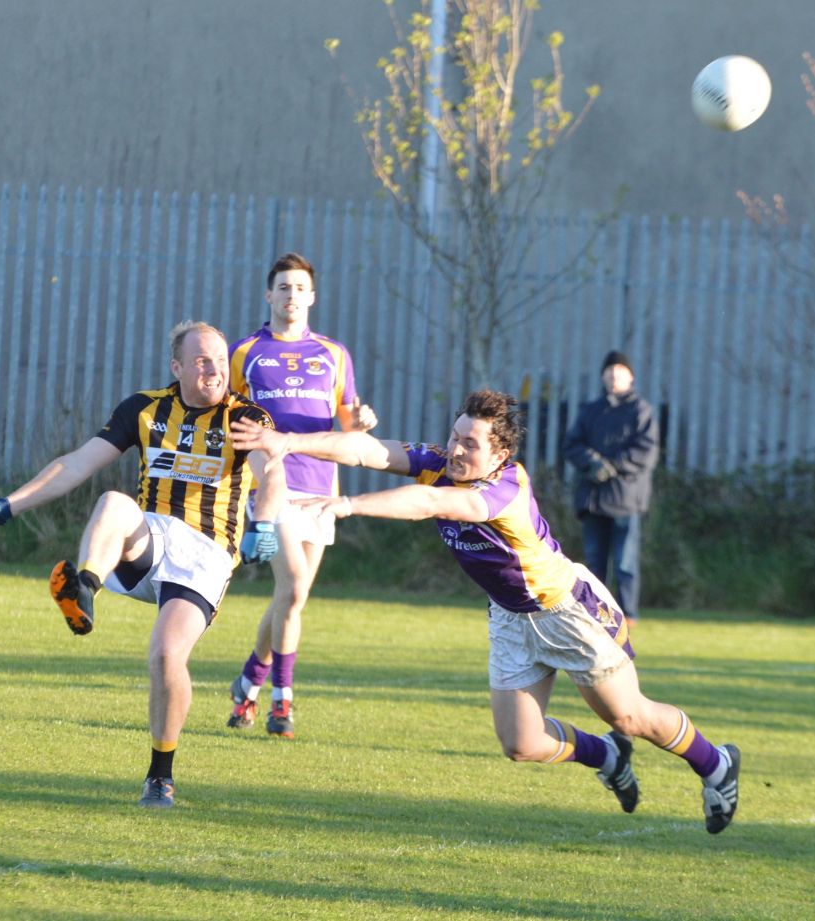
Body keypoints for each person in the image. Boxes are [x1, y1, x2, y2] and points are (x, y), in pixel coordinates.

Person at [230, 390, 740, 834]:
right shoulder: (441, 463)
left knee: (628, 716)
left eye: (469, 444)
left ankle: (715, 764)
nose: (455, 450)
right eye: (454, 437)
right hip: (510, 617)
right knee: (521, 744)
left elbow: (428, 504)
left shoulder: (503, 488)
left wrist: (348, 506)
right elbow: (365, 448)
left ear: (500, 453)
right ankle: (605, 756)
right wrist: (287, 442)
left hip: (565, 613)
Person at [0, 320, 286, 809]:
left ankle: (160, 777)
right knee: (111, 499)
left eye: (219, 360)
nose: (215, 370)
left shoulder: (244, 415)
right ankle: (84, 586)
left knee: (167, 657)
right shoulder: (145, 410)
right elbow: (77, 463)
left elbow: (269, 474)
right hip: (150, 537)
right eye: (201, 361)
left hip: (208, 554)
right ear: (177, 367)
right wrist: (8, 505)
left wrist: (266, 523)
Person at [224, 252, 378, 738]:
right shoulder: (246, 352)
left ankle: (250, 679)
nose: (292, 296)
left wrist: (362, 422)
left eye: (300, 288)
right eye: (283, 287)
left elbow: (347, 422)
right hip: (272, 485)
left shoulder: (334, 354)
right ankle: (280, 703)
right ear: (269, 295)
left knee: (293, 596)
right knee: (291, 585)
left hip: (321, 488)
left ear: (312, 297)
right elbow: (230, 421)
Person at [562, 350, 659, 625]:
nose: (614, 377)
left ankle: (628, 614)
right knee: (594, 562)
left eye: (619, 372)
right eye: (609, 372)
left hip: (626, 499)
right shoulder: (590, 410)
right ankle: (596, 612)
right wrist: (592, 462)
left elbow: (646, 452)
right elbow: (572, 445)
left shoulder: (641, 411)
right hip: (593, 498)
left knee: (625, 562)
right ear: (603, 377)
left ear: (631, 377)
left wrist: (612, 466)